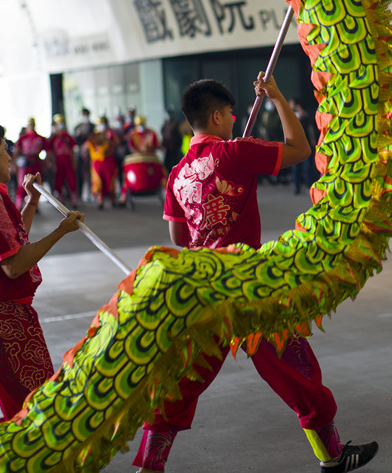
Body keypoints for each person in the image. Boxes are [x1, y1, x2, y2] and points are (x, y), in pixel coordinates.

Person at [133, 77, 378, 473]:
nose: (234, 120)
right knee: (294, 366)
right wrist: (279, 97)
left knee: (184, 376)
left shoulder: (177, 173)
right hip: (249, 286)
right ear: (216, 115)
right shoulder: (235, 152)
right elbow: (301, 149)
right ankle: (332, 454)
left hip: (203, 288)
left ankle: (151, 462)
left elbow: (179, 237)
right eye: (230, 115)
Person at [0, 117, 83, 420]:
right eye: (4, 148)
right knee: (36, 413)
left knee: (30, 410)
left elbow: (12, 240)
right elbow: (14, 265)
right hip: (3, 317)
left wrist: (32, 202)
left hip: (4, 315)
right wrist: (61, 230)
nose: (10, 155)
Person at [14, 119, 46, 210]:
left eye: (32, 124)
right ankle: (19, 205)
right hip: (25, 163)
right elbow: (17, 151)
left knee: (37, 184)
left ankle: (35, 205)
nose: (31, 126)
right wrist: (15, 164)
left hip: (36, 162)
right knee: (22, 184)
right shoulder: (23, 138)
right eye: (30, 124)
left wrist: (45, 163)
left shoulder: (40, 138)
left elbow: (48, 151)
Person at [48, 114, 78, 206]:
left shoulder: (68, 136)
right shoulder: (53, 138)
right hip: (58, 161)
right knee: (58, 180)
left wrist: (73, 161)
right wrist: (53, 164)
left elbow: (72, 150)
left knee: (71, 179)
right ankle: (60, 199)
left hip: (67, 160)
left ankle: (74, 199)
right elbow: (51, 152)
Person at [72, 109, 95, 202]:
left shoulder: (93, 126)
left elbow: (94, 137)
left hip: (90, 153)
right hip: (80, 153)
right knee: (80, 173)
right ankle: (79, 194)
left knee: (90, 173)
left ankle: (91, 193)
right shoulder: (77, 127)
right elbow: (75, 139)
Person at [160, 109, 184, 173]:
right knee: (167, 163)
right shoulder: (165, 124)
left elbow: (178, 136)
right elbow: (162, 132)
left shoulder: (175, 123)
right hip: (167, 147)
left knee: (175, 161)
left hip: (174, 147)